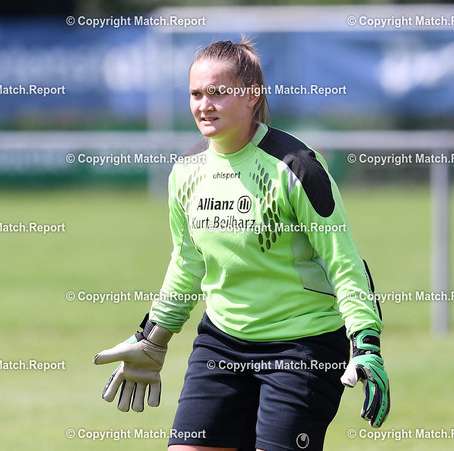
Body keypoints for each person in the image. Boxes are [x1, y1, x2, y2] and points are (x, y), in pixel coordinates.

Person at [94, 38, 390, 451]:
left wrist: (366, 342)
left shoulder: (296, 166)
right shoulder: (186, 171)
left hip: (303, 347)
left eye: (218, 92)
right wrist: (153, 337)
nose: (204, 105)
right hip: (223, 343)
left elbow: (344, 261)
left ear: (252, 95)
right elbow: (188, 262)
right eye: (196, 94)